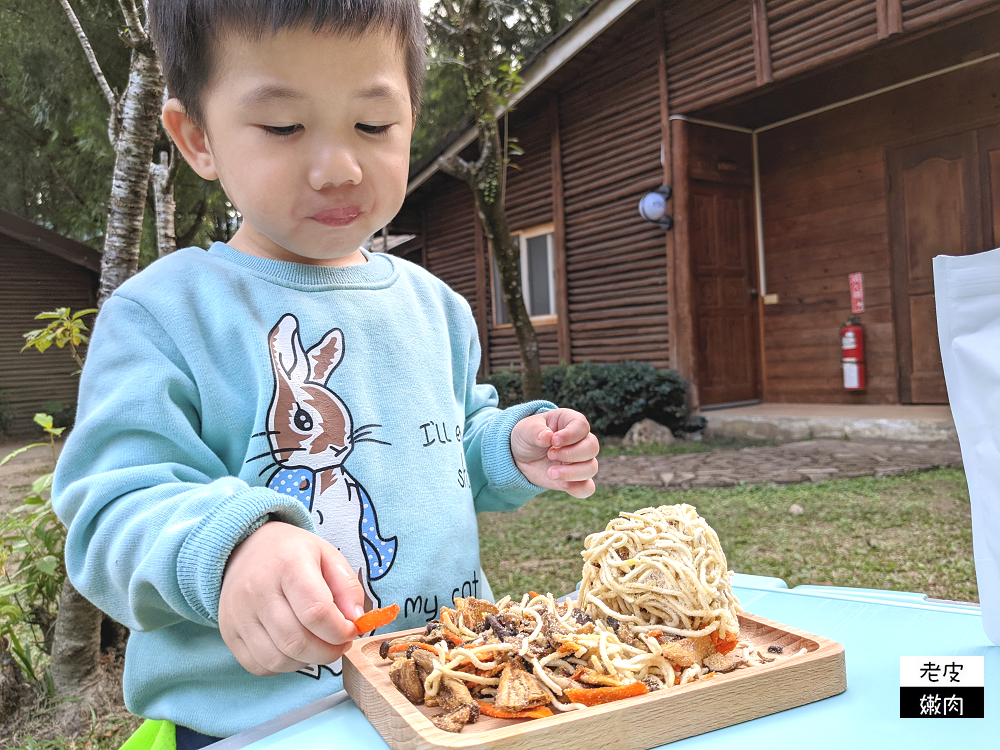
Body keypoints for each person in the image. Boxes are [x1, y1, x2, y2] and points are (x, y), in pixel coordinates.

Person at [51, 1, 600, 748]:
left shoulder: (434, 307)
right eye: (283, 127)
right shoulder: (166, 315)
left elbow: (448, 444)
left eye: (373, 126)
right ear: (197, 138)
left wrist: (509, 447)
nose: (341, 166)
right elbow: (110, 509)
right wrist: (232, 550)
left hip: (451, 692)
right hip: (262, 723)